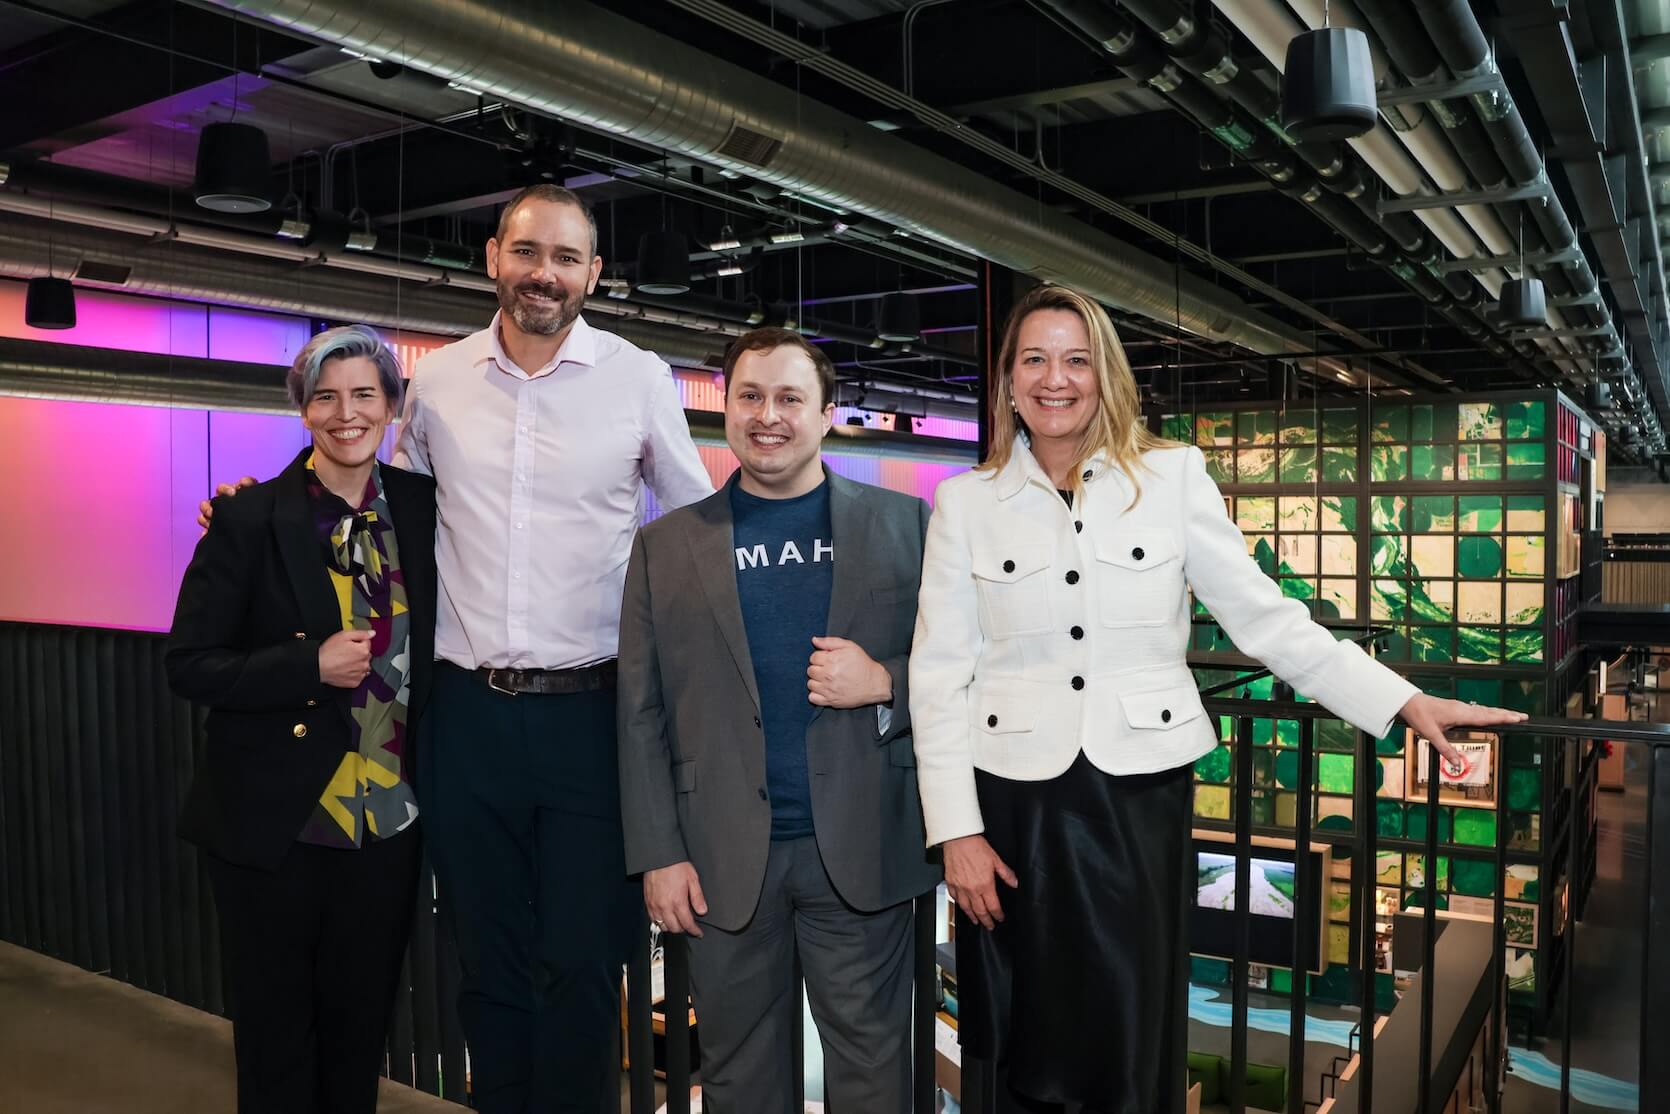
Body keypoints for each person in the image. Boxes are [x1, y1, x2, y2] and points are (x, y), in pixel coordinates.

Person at [907, 283, 1527, 1114]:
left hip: (1135, 795)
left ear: (1106, 376)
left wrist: (1401, 700)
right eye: (1035, 360)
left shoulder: (1170, 476)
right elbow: (939, 671)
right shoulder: (966, 502)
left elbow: (1264, 618)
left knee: (1130, 1028)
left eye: (1077, 361)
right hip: (1014, 804)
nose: (1056, 379)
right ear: (1009, 381)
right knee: (1026, 1037)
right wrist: (956, 831)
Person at [200, 184, 714, 1113]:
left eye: (565, 258)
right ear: (492, 259)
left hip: (594, 715)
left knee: (587, 961)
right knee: (488, 958)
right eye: (526, 253)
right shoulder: (433, 382)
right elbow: (383, 500)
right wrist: (257, 504)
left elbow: (693, 525)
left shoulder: (638, 378)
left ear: (594, 273)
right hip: (464, 715)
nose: (543, 275)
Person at [617, 327, 940, 1113]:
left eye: (791, 398)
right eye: (751, 397)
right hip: (722, 861)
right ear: (724, 410)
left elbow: (964, 669)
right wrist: (659, 852)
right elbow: (639, 710)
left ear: (827, 413)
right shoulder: (665, 547)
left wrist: (884, 680)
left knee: (875, 1075)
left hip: (863, 848)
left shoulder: (909, 526)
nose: (769, 416)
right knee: (738, 1080)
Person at [167, 325, 437, 1114]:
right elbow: (189, 664)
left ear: (391, 406)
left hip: (387, 820)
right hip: (275, 827)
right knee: (277, 1041)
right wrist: (305, 665)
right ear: (302, 410)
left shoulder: (421, 509)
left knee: (358, 1040)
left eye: (364, 395)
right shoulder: (250, 518)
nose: (345, 413)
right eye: (325, 397)